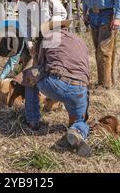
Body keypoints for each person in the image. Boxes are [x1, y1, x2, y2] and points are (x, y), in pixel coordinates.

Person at [24, 20, 91, 157]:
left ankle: (33, 121)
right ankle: (77, 131)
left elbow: (40, 67)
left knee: (29, 77)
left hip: (57, 83)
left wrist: (33, 55)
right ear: (65, 28)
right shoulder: (80, 41)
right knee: (80, 121)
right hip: (81, 88)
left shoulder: (48, 38)